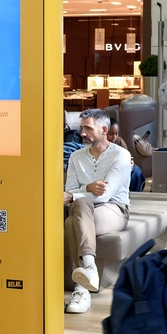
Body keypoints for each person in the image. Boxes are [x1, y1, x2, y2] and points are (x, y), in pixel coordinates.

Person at [63, 108, 132, 314]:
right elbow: (71, 191)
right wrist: (86, 189)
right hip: (82, 210)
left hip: (114, 209)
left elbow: (104, 194)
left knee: (74, 214)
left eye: (88, 128)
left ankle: (81, 288)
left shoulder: (121, 155)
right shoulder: (76, 157)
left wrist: (77, 194)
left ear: (103, 129)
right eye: (81, 128)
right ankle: (89, 272)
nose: (82, 133)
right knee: (77, 210)